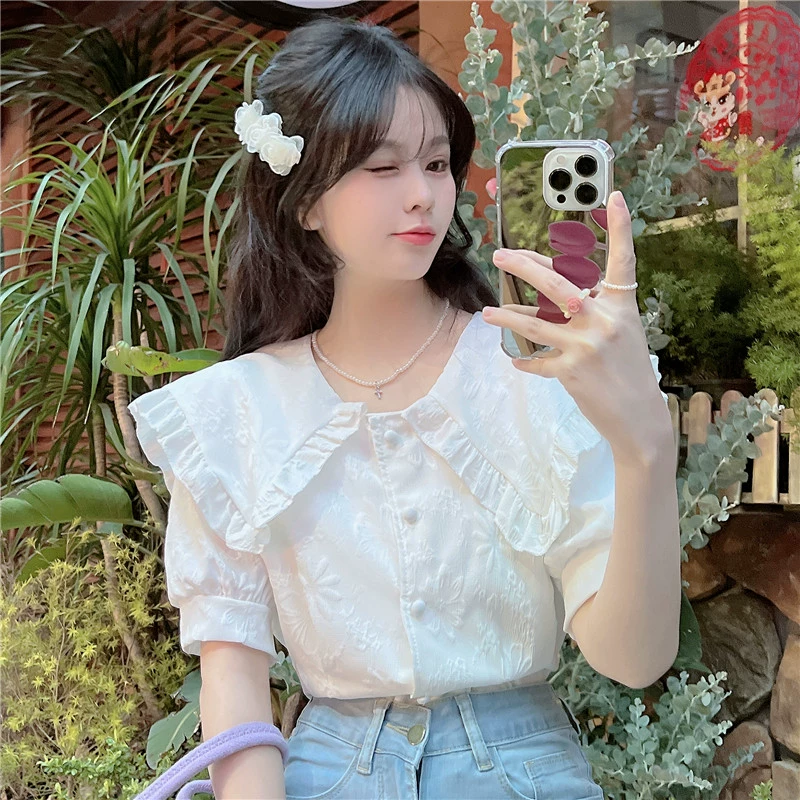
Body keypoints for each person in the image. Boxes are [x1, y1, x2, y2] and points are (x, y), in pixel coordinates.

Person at [128, 15, 680, 800]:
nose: (423, 194)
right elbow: (235, 685)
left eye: (436, 162)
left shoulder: (531, 375)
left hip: (520, 775)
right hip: (324, 774)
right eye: (382, 167)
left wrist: (644, 445)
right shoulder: (236, 413)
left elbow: (633, 658)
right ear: (304, 201)